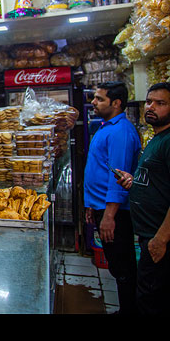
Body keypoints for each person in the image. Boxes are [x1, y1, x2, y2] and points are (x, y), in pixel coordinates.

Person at [83, 81, 141, 314]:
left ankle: (130, 311)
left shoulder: (121, 132)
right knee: (118, 267)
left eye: (100, 99)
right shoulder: (107, 126)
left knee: (124, 268)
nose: (94, 102)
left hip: (116, 213)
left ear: (116, 103)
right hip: (101, 207)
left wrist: (109, 216)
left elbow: (118, 178)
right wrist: (90, 205)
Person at [115, 82, 170, 315]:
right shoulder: (157, 139)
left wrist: (161, 239)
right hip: (149, 235)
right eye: (149, 102)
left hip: (159, 238)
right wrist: (133, 181)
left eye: (161, 103)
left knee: (151, 302)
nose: (151, 107)